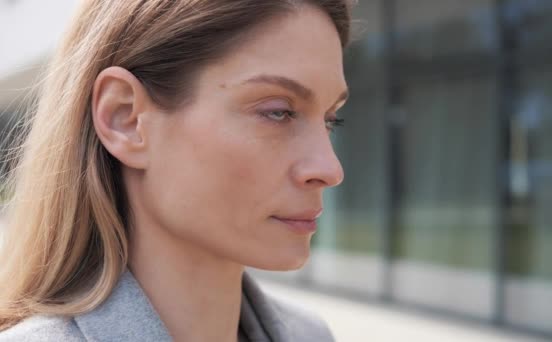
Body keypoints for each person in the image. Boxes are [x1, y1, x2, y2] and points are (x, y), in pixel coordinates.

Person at [0, 0, 353, 340]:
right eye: (278, 111)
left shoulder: (312, 334)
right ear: (125, 119)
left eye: (330, 120)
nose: (329, 168)